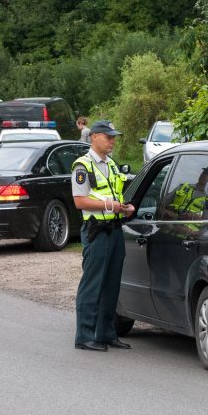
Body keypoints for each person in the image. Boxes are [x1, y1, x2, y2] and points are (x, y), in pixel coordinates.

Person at [70, 120, 135, 352]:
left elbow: (116, 193)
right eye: (108, 137)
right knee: (93, 283)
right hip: (96, 230)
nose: (112, 141)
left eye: (114, 137)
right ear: (94, 137)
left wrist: (125, 207)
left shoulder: (112, 165)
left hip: (115, 228)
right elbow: (80, 201)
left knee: (111, 283)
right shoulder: (82, 166)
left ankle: (106, 332)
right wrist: (111, 205)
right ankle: (84, 335)